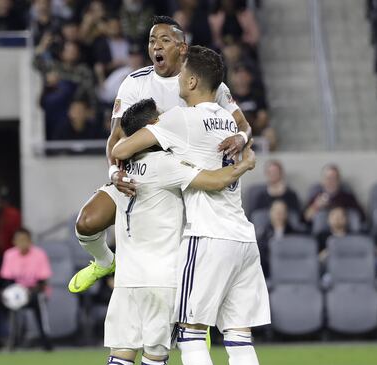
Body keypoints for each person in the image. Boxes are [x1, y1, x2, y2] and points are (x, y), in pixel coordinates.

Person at [112, 46, 269, 365]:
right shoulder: (227, 119)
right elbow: (246, 138)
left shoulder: (180, 120)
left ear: (193, 80)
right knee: (239, 339)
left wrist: (119, 171)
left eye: (181, 74)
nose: (177, 80)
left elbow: (124, 147)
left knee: (191, 332)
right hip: (243, 238)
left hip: (207, 236)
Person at [84, 98, 257, 365]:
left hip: (125, 282)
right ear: (152, 129)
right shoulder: (169, 166)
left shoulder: (122, 173)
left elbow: (86, 221)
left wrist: (101, 258)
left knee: (116, 362)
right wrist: (244, 163)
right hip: (164, 283)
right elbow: (214, 181)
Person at [69, 16, 252, 295]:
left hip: (180, 178)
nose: (157, 46)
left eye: (165, 40)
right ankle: (105, 262)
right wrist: (114, 173)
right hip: (139, 173)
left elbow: (243, 125)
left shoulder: (202, 82)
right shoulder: (134, 82)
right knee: (87, 222)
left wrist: (240, 138)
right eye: (152, 40)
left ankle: (192, 326)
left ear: (182, 48)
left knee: (182, 264)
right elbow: (115, 138)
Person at [0, 228, 53, 351]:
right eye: (19, 240)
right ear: (14, 241)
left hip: (33, 292)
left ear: (30, 241)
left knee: (40, 300)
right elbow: (7, 279)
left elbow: (43, 280)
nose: (22, 243)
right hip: (15, 291)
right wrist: (14, 291)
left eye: (25, 240)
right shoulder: (9, 254)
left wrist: (29, 291)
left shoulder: (39, 254)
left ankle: (45, 339)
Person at [256, 200, 298, 279]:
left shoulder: (294, 234)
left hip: (289, 271)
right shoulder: (262, 235)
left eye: (282, 211)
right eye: (276, 211)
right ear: (270, 213)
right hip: (268, 273)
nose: (278, 214)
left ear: (286, 214)